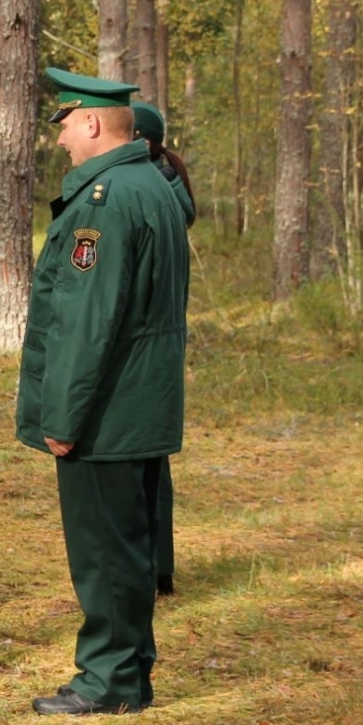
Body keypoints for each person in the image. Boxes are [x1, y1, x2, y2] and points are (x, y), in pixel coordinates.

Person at [18, 69, 189, 715]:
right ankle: (129, 669)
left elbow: (88, 324)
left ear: (92, 122)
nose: (60, 138)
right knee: (130, 545)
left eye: (64, 123)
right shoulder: (152, 186)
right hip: (140, 405)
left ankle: (108, 680)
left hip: (107, 413)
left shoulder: (108, 200)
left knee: (104, 551)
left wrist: (62, 417)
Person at [131, 101, 197, 597]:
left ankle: (152, 568)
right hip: (162, 341)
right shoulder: (167, 186)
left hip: (145, 342)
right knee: (153, 462)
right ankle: (159, 567)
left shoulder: (150, 194)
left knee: (140, 461)